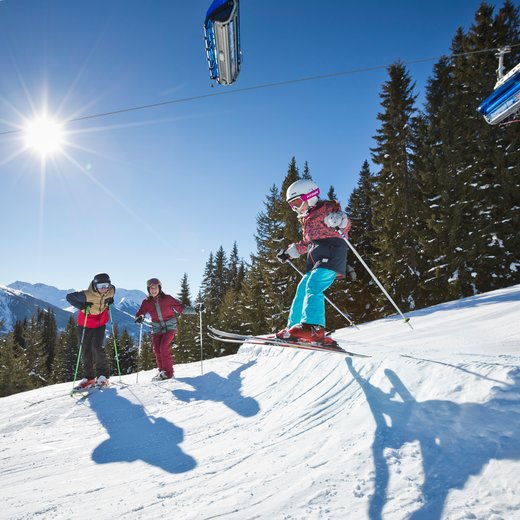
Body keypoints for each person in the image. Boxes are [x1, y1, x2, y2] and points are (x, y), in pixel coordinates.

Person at [276, 179, 351, 345]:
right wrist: (289, 253)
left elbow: (345, 225)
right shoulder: (307, 220)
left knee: (314, 285)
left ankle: (314, 328)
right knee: (302, 288)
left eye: (296, 203)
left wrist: (341, 220)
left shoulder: (328, 210)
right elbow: (305, 244)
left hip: (332, 254)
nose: (295, 208)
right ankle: (294, 327)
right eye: (291, 205)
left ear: (310, 196)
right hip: (316, 260)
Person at [135, 278, 204, 381]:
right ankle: (162, 371)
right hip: (157, 328)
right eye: (151, 288)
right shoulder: (146, 302)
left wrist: (195, 310)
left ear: (159, 288)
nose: (153, 290)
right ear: (148, 289)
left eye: (155, 287)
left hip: (170, 327)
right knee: (157, 349)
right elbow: (141, 312)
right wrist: (139, 317)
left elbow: (181, 308)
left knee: (163, 347)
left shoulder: (167, 299)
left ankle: (169, 373)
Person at [66, 273, 115, 390]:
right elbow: (69, 297)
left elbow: (112, 294)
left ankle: (102, 376)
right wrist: (81, 306)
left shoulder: (112, 290)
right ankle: (89, 378)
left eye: (106, 285)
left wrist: (109, 300)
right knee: (85, 349)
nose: (103, 288)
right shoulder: (86, 295)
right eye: (100, 286)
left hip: (100, 323)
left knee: (98, 347)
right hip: (85, 324)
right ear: (94, 285)